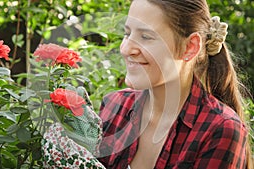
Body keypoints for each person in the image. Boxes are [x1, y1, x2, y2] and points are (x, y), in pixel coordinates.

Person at [42, 0, 253, 168]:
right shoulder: (115, 105)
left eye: (145, 36)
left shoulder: (220, 130)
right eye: (127, 33)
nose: (126, 49)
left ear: (190, 47)